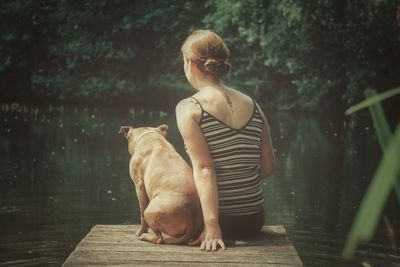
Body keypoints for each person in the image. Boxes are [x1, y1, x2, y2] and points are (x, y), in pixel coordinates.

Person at [175, 29, 276, 252]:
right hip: (254, 219)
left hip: (219, 222)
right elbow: (269, 166)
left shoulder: (190, 108)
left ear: (190, 64)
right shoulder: (253, 104)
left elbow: (204, 169)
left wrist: (212, 226)